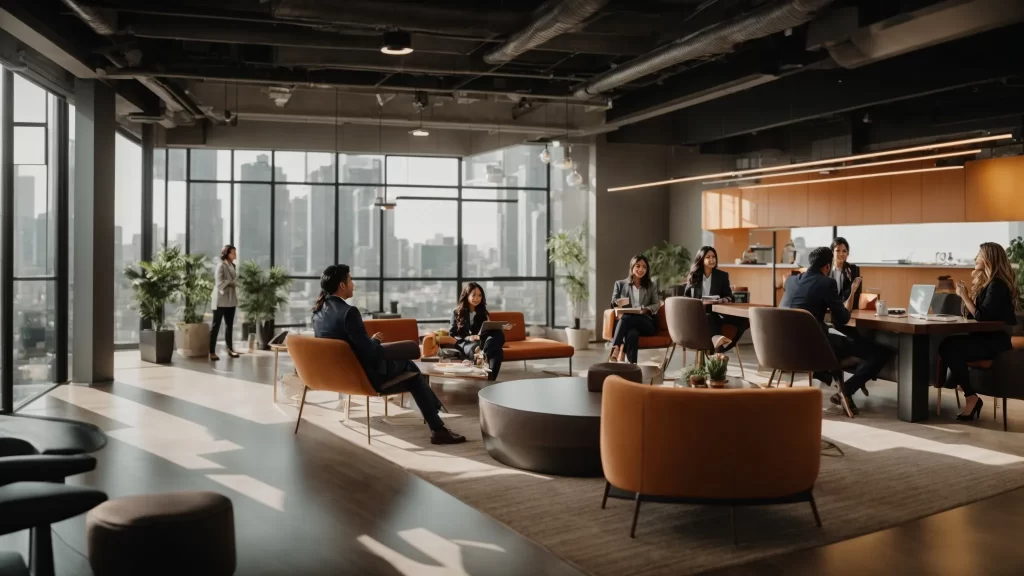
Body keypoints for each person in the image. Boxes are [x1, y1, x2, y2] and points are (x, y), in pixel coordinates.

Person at [312, 264, 465, 445]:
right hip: (365, 377)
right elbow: (371, 354)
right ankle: (437, 426)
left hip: (341, 376)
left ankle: (437, 421)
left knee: (410, 369)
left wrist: (372, 342)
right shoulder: (348, 312)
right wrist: (376, 343)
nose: (353, 284)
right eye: (351, 280)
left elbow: (349, 347)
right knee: (411, 368)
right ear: (342, 285)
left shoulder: (318, 312)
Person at [780, 246, 890, 416]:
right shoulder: (826, 283)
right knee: (879, 352)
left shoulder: (791, 281)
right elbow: (844, 318)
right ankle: (846, 391)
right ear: (827, 267)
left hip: (786, 348)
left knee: (849, 342)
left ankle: (834, 380)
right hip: (816, 349)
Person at [939, 242, 1019, 421]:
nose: (975, 258)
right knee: (948, 345)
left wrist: (965, 296)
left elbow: (981, 316)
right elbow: (971, 314)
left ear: (989, 259)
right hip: (984, 339)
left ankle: (970, 395)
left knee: (948, 347)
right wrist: (969, 294)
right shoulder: (990, 284)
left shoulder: (998, 285)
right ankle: (967, 391)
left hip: (995, 343)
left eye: (979, 255)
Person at [682, 246, 748, 352]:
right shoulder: (694, 276)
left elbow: (729, 296)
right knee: (709, 317)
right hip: (700, 313)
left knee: (745, 320)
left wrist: (722, 300)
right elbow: (686, 299)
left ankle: (725, 347)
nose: (712, 260)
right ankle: (718, 351)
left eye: (714, 257)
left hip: (717, 312)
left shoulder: (722, 276)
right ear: (701, 259)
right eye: (708, 257)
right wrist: (700, 302)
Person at [448, 283, 509, 381]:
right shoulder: (456, 312)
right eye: (474, 295)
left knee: (498, 334)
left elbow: (486, 331)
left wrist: (498, 327)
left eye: (480, 295)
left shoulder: (483, 312)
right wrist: (469, 337)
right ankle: (490, 379)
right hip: (466, 343)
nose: (477, 298)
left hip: (482, 341)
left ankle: (484, 354)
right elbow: (452, 334)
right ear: (467, 295)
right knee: (498, 352)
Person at [609, 255, 661, 364]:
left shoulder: (651, 285)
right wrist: (619, 302)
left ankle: (616, 348)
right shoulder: (620, 284)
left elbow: (656, 304)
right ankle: (632, 367)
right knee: (632, 334)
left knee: (627, 318)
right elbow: (613, 301)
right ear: (632, 267)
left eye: (644, 267)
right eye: (638, 266)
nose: (641, 269)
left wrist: (645, 309)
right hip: (629, 323)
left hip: (646, 323)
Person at [209, 245, 240, 361]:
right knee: (216, 326)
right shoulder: (221, 266)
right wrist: (230, 282)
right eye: (233, 253)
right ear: (226, 254)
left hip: (231, 299)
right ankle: (211, 351)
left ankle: (230, 349)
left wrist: (233, 283)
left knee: (229, 325)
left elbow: (232, 281)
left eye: (235, 252)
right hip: (220, 300)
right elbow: (219, 283)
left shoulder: (233, 265)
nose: (235, 255)